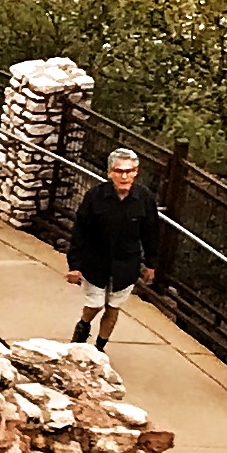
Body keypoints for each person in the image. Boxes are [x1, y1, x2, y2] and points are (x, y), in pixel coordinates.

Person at [66, 144, 161, 350]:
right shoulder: (95, 197)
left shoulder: (144, 199)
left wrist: (151, 264)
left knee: (113, 307)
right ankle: (82, 329)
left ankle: (99, 347)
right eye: (119, 171)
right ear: (110, 173)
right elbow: (80, 231)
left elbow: (151, 233)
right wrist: (75, 264)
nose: (124, 176)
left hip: (126, 264)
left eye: (129, 171)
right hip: (96, 261)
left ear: (136, 173)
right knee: (95, 304)